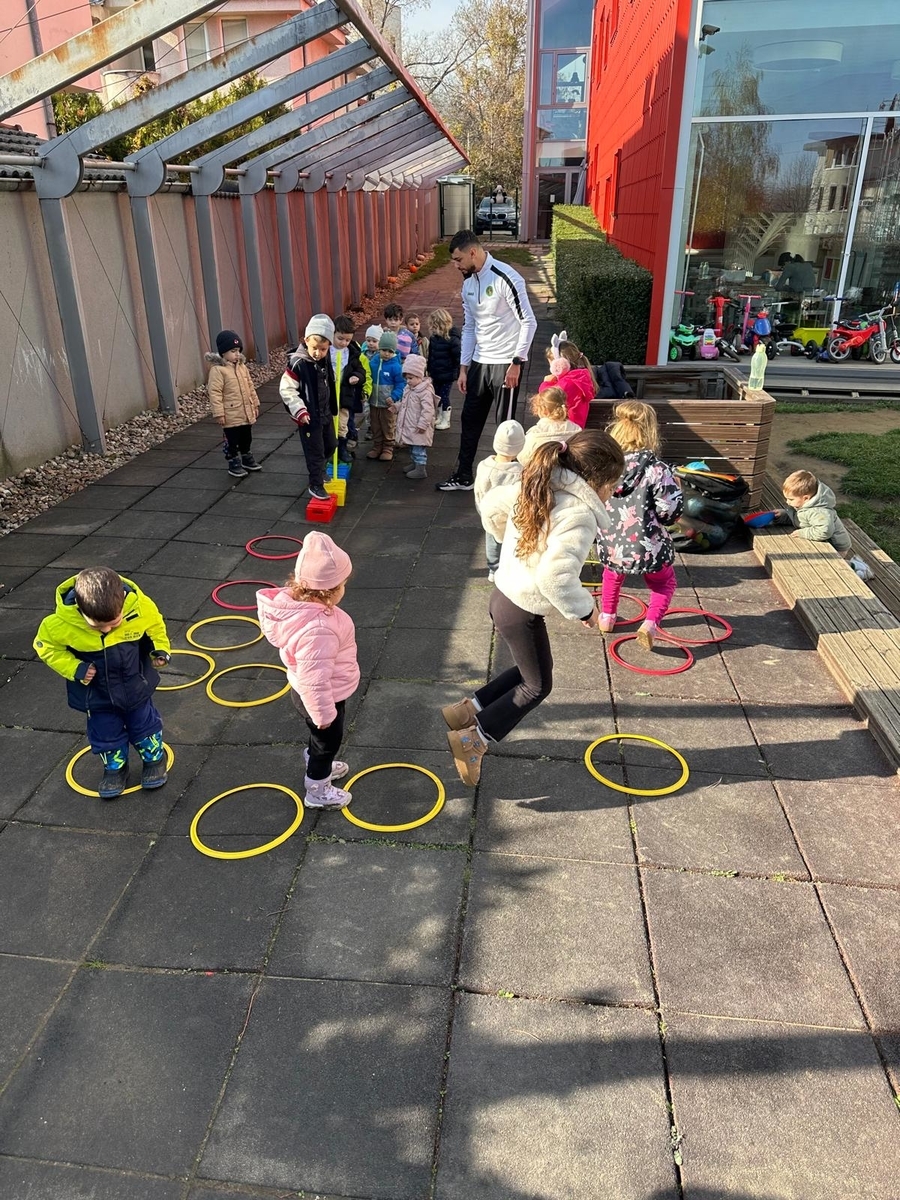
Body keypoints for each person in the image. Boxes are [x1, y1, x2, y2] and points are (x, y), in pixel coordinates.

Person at [442, 430, 625, 785]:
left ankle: (466, 710)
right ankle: (473, 740)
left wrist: (503, 536)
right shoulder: (578, 514)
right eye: (612, 485)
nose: (612, 493)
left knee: (532, 669)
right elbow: (555, 576)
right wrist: (586, 610)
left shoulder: (537, 485)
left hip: (502, 596)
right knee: (537, 686)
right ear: (597, 481)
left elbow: (492, 503)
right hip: (522, 610)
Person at [33, 567, 171, 800]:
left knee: (145, 725)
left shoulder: (139, 607)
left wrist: (161, 650)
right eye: (96, 626)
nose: (107, 629)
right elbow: (46, 648)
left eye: (114, 622)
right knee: (105, 733)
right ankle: (115, 768)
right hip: (97, 695)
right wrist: (75, 668)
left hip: (135, 687)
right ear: (80, 608)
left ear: (123, 601)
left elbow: (156, 626)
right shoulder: (59, 624)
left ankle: (154, 759)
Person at [257, 534, 358, 810]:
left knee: (320, 738)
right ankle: (317, 788)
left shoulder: (303, 611)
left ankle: (317, 757)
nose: (344, 589)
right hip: (321, 697)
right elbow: (315, 679)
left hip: (307, 692)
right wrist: (324, 714)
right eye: (343, 584)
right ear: (330, 591)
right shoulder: (319, 629)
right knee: (328, 741)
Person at [437, 229, 538, 492]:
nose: (456, 265)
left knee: (505, 427)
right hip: (479, 363)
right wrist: (463, 367)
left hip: (506, 362)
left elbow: (529, 321)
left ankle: (508, 482)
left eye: (458, 260)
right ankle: (463, 476)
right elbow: (469, 327)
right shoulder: (468, 284)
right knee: (469, 420)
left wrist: (517, 361)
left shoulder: (507, 277)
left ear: (473, 252)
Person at [597, 401, 684, 650]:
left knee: (612, 574)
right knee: (664, 583)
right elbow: (669, 513)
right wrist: (677, 491)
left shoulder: (605, 465)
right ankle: (650, 624)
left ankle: (607, 617)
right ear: (650, 431)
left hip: (612, 543)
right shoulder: (658, 470)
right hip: (648, 546)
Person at [280, 315, 338, 502]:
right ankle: (316, 484)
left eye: (323, 349)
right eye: (314, 348)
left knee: (331, 444)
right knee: (315, 451)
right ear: (306, 341)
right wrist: (300, 410)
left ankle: (320, 469)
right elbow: (287, 390)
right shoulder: (298, 363)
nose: (318, 353)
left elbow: (328, 380)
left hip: (325, 412)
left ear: (329, 346)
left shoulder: (325, 359)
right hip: (309, 417)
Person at [206, 329, 262, 479]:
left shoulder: (242, 367)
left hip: (245, 411)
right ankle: (233, 461)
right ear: (223, 352)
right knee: (232, 440)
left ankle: (246, 456)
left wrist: (255, 404)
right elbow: (215, 393)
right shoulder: (218, 370)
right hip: (230, 413)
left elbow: (250, 386)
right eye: (233, 351)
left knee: (246, 437)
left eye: (238, 351)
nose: (237, 354)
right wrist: (219, 413)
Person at [474, 419, 525, 582]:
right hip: (511, 515)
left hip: (490, 512)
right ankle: (508, 567)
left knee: (492, 539)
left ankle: (493, 568)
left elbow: (479, 491)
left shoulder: (484, 466)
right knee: (511, 541)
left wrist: (482, 510)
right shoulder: (520, 472)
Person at [775, 470, 852, 555]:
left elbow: (824, 531)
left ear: (806, 498)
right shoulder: (804, 504)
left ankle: (851, 563)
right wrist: (784, 515)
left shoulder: (819, 512)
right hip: (820, 538)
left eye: (791, 499)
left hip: (835, 546)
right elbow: (800, 518)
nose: (787, 502)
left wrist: (802, 533)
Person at [331, 315, 371, 463]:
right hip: (328, 396)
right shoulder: (325, 350)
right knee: (329, 426)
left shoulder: (352, 353)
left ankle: (342, 450)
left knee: (342, 425)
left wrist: (356, 377)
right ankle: (330, 451)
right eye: (340, 338)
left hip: (345, 395)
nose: (344, 343)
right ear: (333, 334)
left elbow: (361, 371)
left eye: (347, 340)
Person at [395, 353, 438, 481]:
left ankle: (420, 468)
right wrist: (396, 407)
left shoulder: (424, 391)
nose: (408, 381)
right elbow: (405, 403)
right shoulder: (409, 388)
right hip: (411, 424)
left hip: (419, 426)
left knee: (418, 448)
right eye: (406, 378)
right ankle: (415, 464)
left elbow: (428, 410)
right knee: (412, 446)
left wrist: (423, 424)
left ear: (420, 376)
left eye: (411, 378)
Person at [539, 333, 597, 428]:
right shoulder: (580, 378)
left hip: (565, 428)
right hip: (574, 427)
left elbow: (548, 397)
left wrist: (546, 383)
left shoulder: (567, 383)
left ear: (559, 364)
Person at [365, 330, 405, 461]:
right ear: (379, 349)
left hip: (388, 404)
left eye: (390, 351)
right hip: (374, 402)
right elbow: (368, 377)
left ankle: (388, 447)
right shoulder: (373, 362)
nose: (386, 353)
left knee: (388, 425)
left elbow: (401, 384)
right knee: (375, 425)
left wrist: (394, 396)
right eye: (384, 350)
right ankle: (377, 446)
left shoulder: (396, 366)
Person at [518, 387, 582, 464]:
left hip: (542, 470)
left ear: (544, 410)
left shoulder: (534, 433)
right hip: (570, 469)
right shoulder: (577, 430)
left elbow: (523, 457)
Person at [427, 308, 461, 431]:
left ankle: (446, 419)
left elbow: (458, 357)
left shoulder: (452, 340)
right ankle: (440, 416)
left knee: (444, 396)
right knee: (437, 395)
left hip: (447, 374)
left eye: (434, 326)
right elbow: (431, 355)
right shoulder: (434, 338)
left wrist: (457, 372)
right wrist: (429, 369)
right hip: (436, 372)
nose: (432, 329)